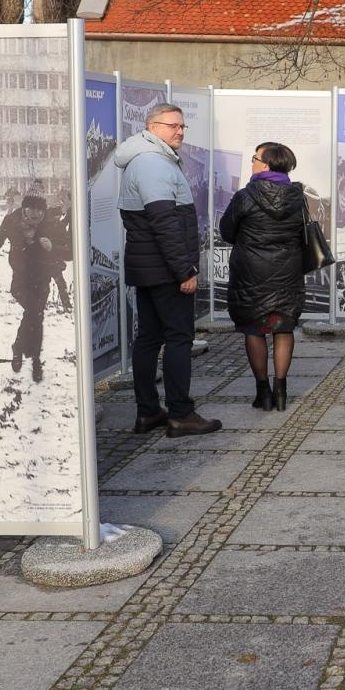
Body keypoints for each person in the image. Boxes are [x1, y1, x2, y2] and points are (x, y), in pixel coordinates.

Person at [114, 102, 220, 438]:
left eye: (182, 126)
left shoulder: (146, 159)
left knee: (148, 338)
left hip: (150, 268)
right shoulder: (152, 163)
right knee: (178, 338)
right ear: (152, 127)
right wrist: (183, 271)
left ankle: (148, 412)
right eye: (172, 125)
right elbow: (164, 223)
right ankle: (180, 414)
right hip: (164, 270)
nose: (180, 131)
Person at [219, 142, 307, 411]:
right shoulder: (297, 197)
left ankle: (263, 392)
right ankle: (281, 391)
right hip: (287, 272)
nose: (253, 163)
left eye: (255, 158)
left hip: (251, 274)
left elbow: (226, 231)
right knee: (283, 328)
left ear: (265, 164)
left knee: (254, 330)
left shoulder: (245, 196)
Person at [0, 194, 67, 383]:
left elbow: (71, 250)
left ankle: (29, 356)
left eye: (40, 210)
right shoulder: (12, 221)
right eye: (32, 209)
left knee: (35, 315)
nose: (36, 214)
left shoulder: (50, 224)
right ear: (24, 209)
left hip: (42, 279)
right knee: (34, 313)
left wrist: (53, 247)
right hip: (20, 279)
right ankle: (25, 352)